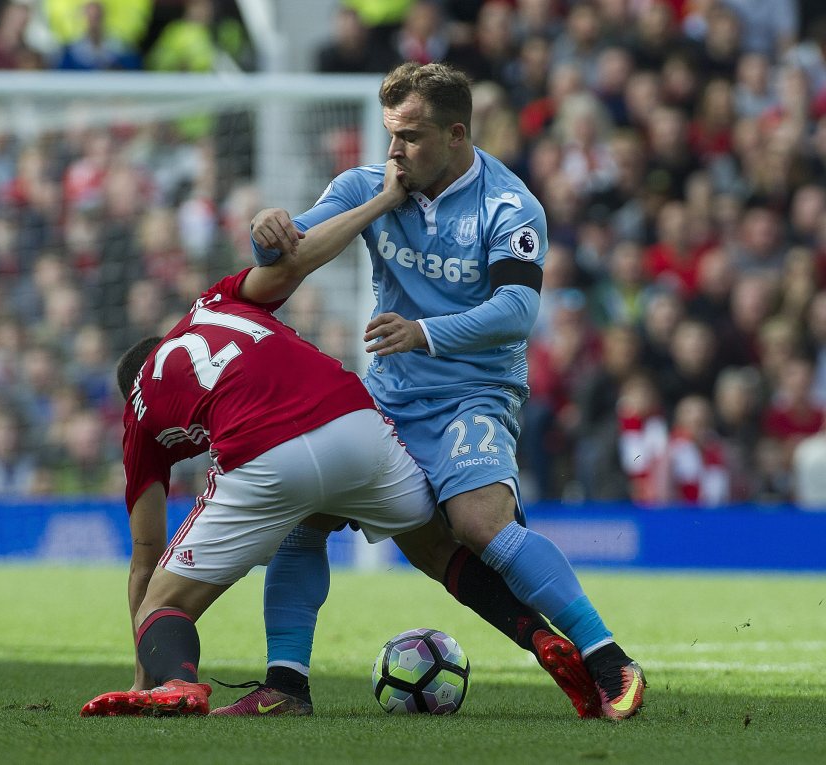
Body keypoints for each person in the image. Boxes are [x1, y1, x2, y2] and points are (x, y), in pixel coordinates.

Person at [80, 175, 602, 718]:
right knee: (437, 548)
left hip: (263, 455)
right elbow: (294, 263)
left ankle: (193, 686)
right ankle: (537, 636)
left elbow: (144, 557)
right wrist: (380, 203)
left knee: (166, 604)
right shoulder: (213, 304)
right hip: (356, 421)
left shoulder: (139, 412)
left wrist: (146, 666)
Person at [230, 62, 645, 721]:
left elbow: (515, 310)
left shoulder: (510, 205)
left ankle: (608, 658)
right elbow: (285, 253)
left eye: (412, 137)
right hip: (388, 398)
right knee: (304, 506)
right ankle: (286, 684)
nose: (394, 151)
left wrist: (424, 332)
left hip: (473, 395)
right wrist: (267, 227)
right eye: (391, 134)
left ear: (457, 135)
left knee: (479, 524)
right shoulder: (368, 188)